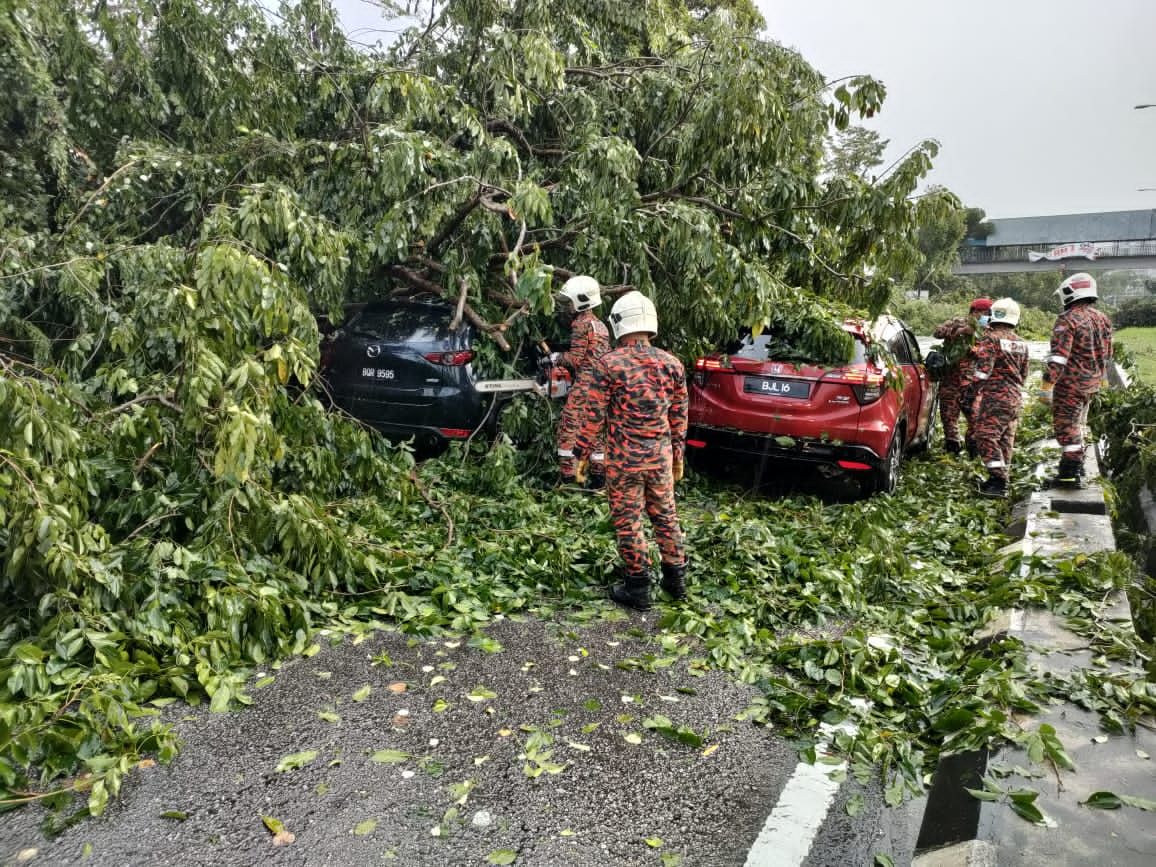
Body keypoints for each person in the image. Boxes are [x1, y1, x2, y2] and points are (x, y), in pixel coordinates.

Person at [571, 291, 689, 610]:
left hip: (625, 461)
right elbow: (679, 418)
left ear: (618, 323)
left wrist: (581, 456)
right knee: (665, 516)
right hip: (661, 459)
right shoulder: (673, 365)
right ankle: (676, 581)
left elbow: (592, 415)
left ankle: (638, 588)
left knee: (629, 520)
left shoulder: (609, 364)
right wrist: (677, 456)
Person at [1040, 272, 1113, 488]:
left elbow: (1059, 357)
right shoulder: (1102, 318)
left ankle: (1069, 475)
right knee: (1079, 425)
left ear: (1070, 292)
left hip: (1070, 385)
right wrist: (1102, 380)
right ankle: (1077, 465)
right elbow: (1107, 354)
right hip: (1092, 384)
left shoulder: (1068, 319)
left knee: (1067, 427)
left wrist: (1047, 385)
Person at [552, 275, 610, 487]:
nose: (567, 308)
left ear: (580, 301)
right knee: (595, 432)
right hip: (602, 387)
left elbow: (575, 359)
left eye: (569, 303)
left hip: (585, 386)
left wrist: (556, 358)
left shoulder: (580, 324)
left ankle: (568, 478)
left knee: (569, 427)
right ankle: (598, 478)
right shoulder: (601, 326)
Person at [970, 298, 1030, 499]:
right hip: (1014, 398)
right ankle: (1002, 480)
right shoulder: (1021, 343)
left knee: (985, 436)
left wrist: (971, 392)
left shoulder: (990, 339)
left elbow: (982, 372)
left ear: (993, 316)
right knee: (1005, 439)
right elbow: (1024, 374)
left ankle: (998, 481)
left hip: (996, 397)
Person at [932, 297, 992, 455]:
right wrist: (958, 331)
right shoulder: (958, 322)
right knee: (948, 419)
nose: (987, 316)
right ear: (975, 312)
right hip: (950, 381)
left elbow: (989, 355)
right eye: (985, 313)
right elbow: (937, 332)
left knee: (976, 419)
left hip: (971, 385)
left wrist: (977, 350)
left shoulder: (987, 330)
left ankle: (973, 450)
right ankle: (953, 451)